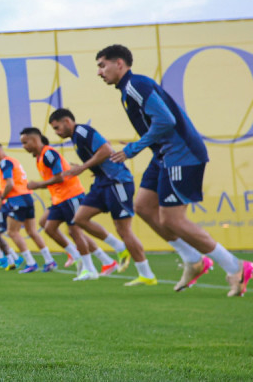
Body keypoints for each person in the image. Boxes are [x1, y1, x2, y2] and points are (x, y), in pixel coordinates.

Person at [96, 44, 252, 296]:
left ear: (120, 64)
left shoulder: (136, 85)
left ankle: (236, 266)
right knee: (144, 208)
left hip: (182, 154)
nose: (99, 72)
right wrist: (144, 144)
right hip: (163, 156)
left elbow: (166, 120)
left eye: (102, 65)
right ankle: (193, 260)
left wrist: (136, 147)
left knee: (172, 219)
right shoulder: (127, 90)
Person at [48, 109, 158, 286]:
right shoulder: (76, 137)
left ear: (67, 121)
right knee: (80, 219)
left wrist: (83, 167)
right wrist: (96, 169)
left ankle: (146, 274)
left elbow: (106, 149)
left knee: (123, 229)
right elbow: (104, 144)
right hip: (102, 182)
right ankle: (120, 248)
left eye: (57, 127)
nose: (57, 132)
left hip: (117, 181)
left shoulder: (82, 131)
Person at [20, 128, 100, 281]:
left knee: (75, 232)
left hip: (71, 196)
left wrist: (38, 184)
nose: (24, 146)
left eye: (25, 142)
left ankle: (91, 268)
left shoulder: (49, 154)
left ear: (35, 139)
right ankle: (77, 256)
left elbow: (60, 178)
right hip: (60, 198)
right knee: (48, 226)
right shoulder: (40, 157)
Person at [0, 141, 57, 273]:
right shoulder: (15, 161)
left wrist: (2, 198)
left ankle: (30, 262)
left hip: (17, 200)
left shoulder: (5, 162)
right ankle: (49, 261)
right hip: (27, 197)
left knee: (12, 232)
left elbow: (9, 184)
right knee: (32, 231)